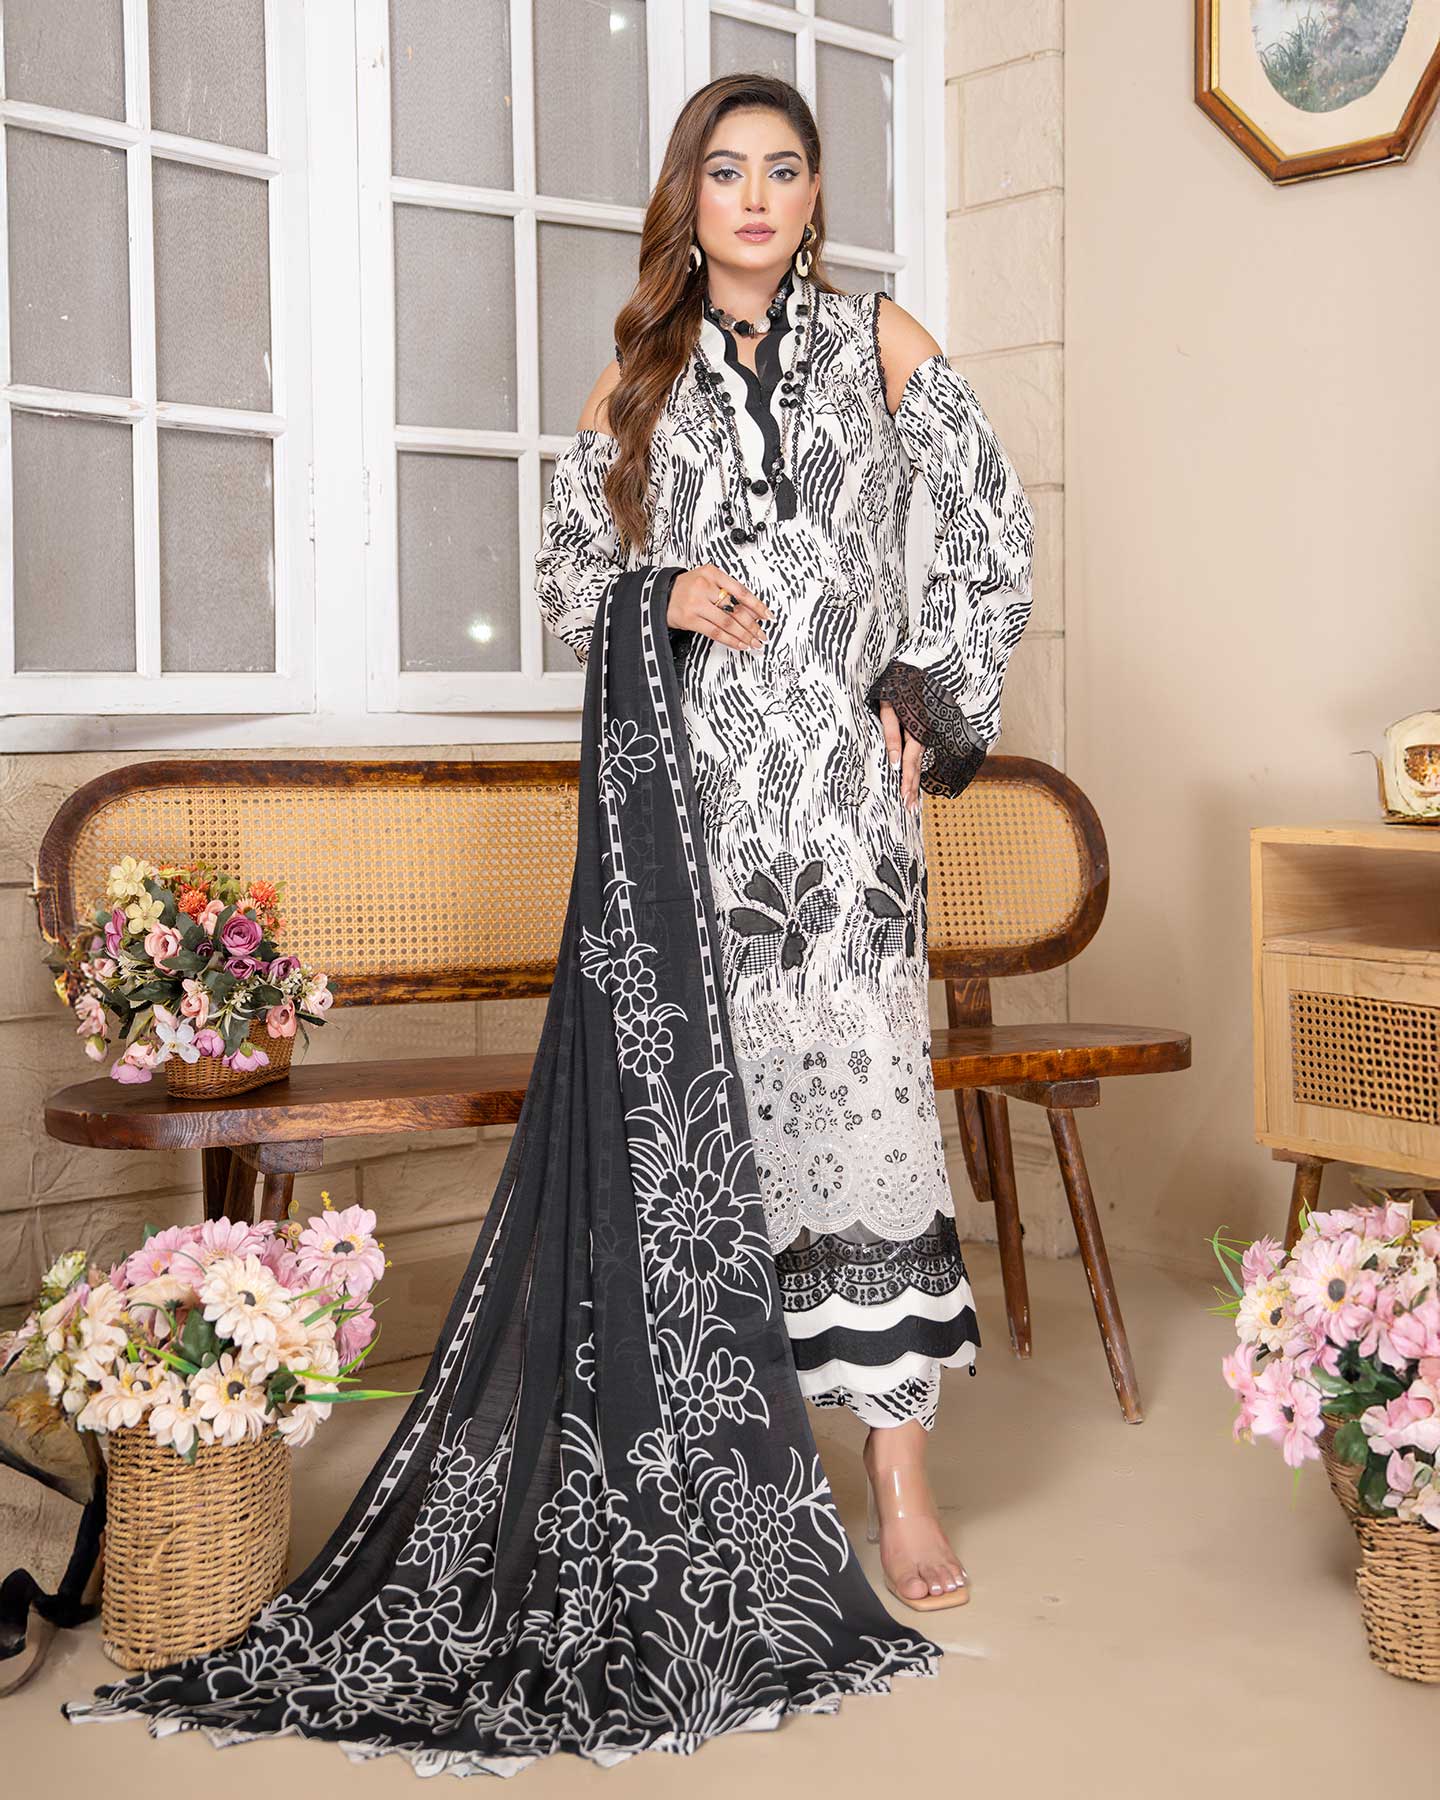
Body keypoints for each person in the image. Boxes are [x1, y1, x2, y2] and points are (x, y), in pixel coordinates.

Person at [536, 74, 1034, 1611]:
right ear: (688, 198)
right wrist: (659, 593)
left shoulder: (882, 343)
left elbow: (994, 523)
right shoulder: (639, 375)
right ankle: (722, 1461)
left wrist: (929, 681)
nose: (755, 196)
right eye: (726, 170)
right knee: (719, 1121)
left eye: (785, 169)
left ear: (816, 196)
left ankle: (900, 1477)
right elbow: (565, 582)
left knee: (870, 1115)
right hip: (696, 813)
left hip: (846, 814)